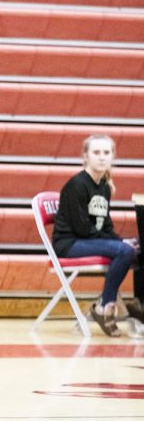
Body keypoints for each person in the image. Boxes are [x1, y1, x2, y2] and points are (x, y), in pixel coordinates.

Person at [52, 134, 143, 336]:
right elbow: (82, 228)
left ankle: (138, 307)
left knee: (137, 247)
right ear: (85, 156)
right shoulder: (77, 185)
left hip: (88, 239)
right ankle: (105, 306)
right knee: (124, 251)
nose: (102, 157)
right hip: (70, 243)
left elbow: (105, 226)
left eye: (106, 153)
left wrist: (122, 241)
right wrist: (120, 246)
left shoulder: (104, 186)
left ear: (113, 157)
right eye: (96, 152)